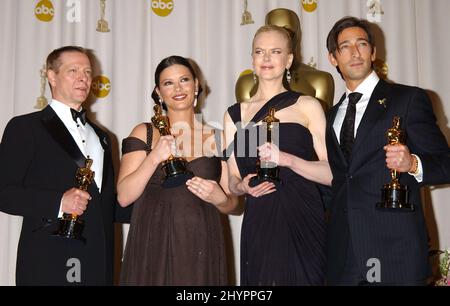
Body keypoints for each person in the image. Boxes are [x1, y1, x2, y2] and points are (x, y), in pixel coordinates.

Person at [325, 16, 450, 285]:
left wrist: (413, 164)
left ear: (373, 52)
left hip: (394, 253)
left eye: (362, 44)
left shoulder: (409, 99)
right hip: (342, 256)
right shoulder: (330, 115)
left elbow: (445, 164)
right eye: (345, 46)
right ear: (333, 58)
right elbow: (339, 181)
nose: (355, 52)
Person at [223, 25, 332, 285]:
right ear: (252, 59)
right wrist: (242, 187)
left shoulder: (307, 105)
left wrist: (288, 160)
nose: (267, 58)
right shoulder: (233, 115)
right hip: (260, 217)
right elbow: (232, 179)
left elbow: (332, 172)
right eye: (260, 51)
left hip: (303, 214)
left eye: (275, 51)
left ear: (289, 59)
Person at [0, 46, 118, 285]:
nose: (83, 77)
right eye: (72, 70)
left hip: (98, 259)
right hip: (49, 259)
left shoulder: (103, 137)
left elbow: (109, 201)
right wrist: (58, 202)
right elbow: (4, 193)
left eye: (87, 71)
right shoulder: (25, 127)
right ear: (51, 76)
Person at [117, 55, 238, 285]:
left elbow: (233, 204)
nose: (178, 88)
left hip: (200, 240)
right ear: (159, 92)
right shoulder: (145, 133)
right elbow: (124, 196)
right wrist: (154, 158)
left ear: (196, 86)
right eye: (168, 83)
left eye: (184, 80)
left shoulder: (218, 137)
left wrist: (220, 199)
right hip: (153, 239)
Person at [235, 8, 335, 111]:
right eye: (274, 30)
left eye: (287, 32)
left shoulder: (320, 80)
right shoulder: (246, 83)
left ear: (297, 35)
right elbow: (245, 124)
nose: (279, 37)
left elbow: (324, 125)